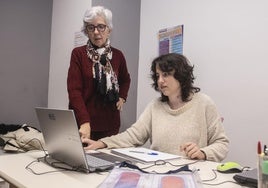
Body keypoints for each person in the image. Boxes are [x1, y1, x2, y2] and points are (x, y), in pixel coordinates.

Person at [83, 53, 229, 162]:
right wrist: (102, 143)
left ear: (181, 76)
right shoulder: (155, 106)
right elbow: (133, 136)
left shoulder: (204, 103)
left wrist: (203, 152)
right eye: (157, 75)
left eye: (166, 74)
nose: (160, 80)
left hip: (193, 175)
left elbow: (221, 144)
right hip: (158, 172)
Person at [67, 6, 131, 140]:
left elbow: (125, 79)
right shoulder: (78, 54)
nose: (96, 32)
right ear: (86, 31)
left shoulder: (118, 55)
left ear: (109, 30)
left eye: (101, 26)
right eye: (91, 27)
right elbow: (74, 91)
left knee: (105, 160)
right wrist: (84, 121)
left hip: (110, 124)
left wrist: (122, 97)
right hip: (83, 123)